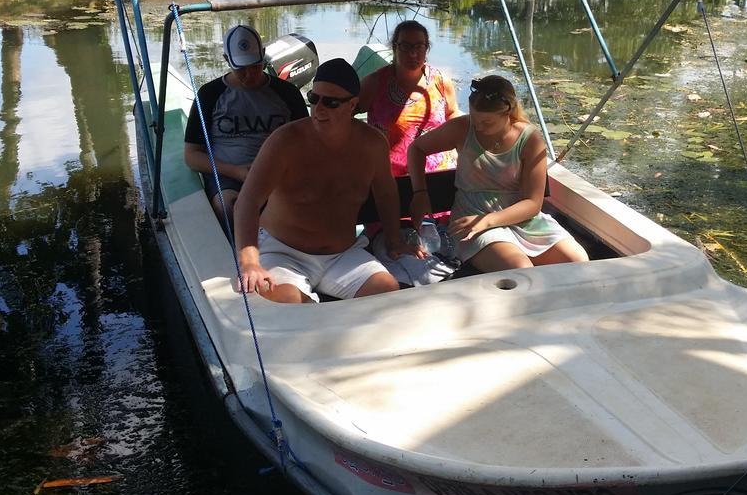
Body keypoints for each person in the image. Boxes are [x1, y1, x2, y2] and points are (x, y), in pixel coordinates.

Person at [234, 58, 418, 303]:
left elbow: (386, 193)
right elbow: (247, 202)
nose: (319, 109)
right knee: (289, 304)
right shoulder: (284, 142)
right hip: (283, 252)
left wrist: (395, 240)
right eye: (314, 98)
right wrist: (249, 263)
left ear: (352, 105)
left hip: (342, 254)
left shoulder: (372, 144)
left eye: (330, 102)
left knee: (387, 291)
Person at [406, 75, 589, 272]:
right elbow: (416, 149)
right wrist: (420, 192)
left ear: (507, 113)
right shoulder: (462, 128)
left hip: (520, 219)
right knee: (521, 269)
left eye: (487, 122)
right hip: (471, 217)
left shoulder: (529, 139)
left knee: (578, 262)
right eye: (474, 119)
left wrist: (487, 220)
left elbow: (533, 203)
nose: (478, 127)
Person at [184, 24, 308, 228]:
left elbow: (305, 142)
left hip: (279, 174)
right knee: (229, 207)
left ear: (264, 55)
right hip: (229, 176)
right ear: (226, 60)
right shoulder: (209, 95)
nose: (250, 74)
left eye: (255, 66)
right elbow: (191, 155)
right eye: (241, 69)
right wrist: (238, 172)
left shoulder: (287, 93)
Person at [358, 20, 460, 177]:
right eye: (406, 46)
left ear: (427, 48)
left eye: (419, 46)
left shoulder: (441, 82)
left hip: (437, 173)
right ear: (394, 47)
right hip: (391, 177)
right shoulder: (375, 83)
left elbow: (452, 114)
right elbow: (346, 114)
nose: (413, 53)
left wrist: (455, 148)